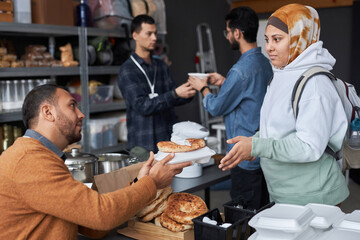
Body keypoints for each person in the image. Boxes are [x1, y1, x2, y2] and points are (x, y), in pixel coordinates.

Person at [0, 84, 192, 239]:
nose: (81, 114)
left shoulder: (43, 156)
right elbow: (101, 215)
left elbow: (91, 225)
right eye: (72, 105)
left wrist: (138, 184)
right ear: (48, 112)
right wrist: (151, 183)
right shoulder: (30, 161)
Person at [219, 3, 350, 206]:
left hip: (314, 198)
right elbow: (277, 130)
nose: (269, 47)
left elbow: (309, 147)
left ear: (300, 38)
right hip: (284, 195)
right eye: (267, 39)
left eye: (277, 39)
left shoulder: (315, 85)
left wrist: (258, 146)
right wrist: (253, 143)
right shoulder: (281, 75)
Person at [188, 7, 273, 210]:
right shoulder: (265, 63)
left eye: (228, 31)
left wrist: (203, 88)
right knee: (263, 210)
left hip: (243, 158)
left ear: (237, 33)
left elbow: (216, 107)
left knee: (244, 215)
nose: (227, 36)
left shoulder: (240, 70)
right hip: (263, 151)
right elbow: (253, 94)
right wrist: (226, 81)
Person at [118, 15, 196, 152]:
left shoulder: (160, 65)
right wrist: (175, 94)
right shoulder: (127, 70)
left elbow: (173, 98)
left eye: (155, 33)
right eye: (149, 33)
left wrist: (189, 91)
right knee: (144, 174)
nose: (154, 38)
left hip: (167, 139)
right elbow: (142, 106)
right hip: (143, 143)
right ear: (135, 35)